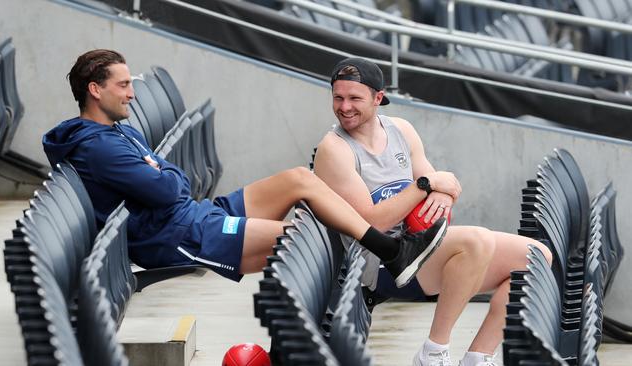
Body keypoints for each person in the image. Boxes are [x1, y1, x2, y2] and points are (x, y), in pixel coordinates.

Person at [42, 49, 448, 291]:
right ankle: (390, 254)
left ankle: (388, 250)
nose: (132, 93)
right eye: (123, 85)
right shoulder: (99, 146)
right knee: (304, 241)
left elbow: (171, 178)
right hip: (180, 235)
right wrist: (163, 173)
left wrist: (162, 171)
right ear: (95, 90)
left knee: (299, 179)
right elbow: (169, 189)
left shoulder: (115, 132)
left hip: (194, 214)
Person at [313, 57, 553, 366]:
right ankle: (433, 352)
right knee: (475, 241)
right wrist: (426, 185)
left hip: (420, 247)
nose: (344, 107)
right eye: (338, 97)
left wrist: (443, 193)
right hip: (380, 264)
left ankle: (478, 358)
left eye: (354, 98)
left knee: (536, 257)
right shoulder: (334, 149)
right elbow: (368, 223)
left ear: (378, 97)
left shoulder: (401, 130)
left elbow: (442, 190)